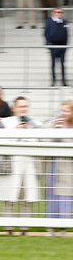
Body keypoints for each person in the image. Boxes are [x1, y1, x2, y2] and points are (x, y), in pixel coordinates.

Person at [0, 96, 41, 236]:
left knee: (27, 197)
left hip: (29, 164)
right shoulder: (5, 122)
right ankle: (8, 227)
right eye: (21, 107)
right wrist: (15, 131)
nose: (23, 109)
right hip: (11, 164)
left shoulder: (35, 123)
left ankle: (25, 228)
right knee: (9, 197)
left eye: (26, 106)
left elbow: (39, 144)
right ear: (14, 109)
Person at [48, 100, 73, 236]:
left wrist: (62, 131)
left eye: (67, 111)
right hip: (53, 170)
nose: (63, 113)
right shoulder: (55, 124)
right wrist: (54, 128)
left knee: (64, 198)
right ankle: (51, 228)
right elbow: (45, 142)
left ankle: (63, 229)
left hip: (68, 171)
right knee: (52, 199)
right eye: (62, 110)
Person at [45, 8, 69, 86]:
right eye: (58, 12)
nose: (60, 14)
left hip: (62, 46)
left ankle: (63, 81)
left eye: (61, 12)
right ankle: (53, 81)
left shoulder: (64, 22)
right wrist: (49, 43)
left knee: (62, 64)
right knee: (53, 64)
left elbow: (66, 34)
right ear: (54, 13)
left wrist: (66, 44)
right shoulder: (49, 21)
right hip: (53, 45)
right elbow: (46, 33)